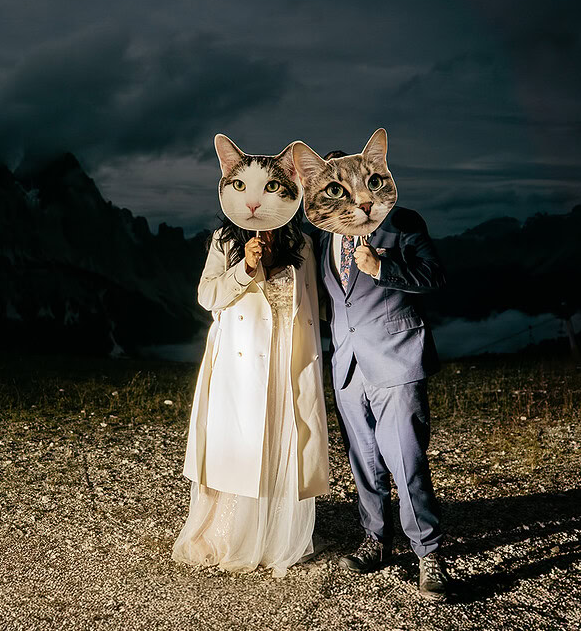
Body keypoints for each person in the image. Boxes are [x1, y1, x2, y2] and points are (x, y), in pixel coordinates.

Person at [309, 149, 453, 601]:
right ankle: (375, 541)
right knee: (364, 460)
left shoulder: (401, 221)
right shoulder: (321, 237)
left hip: (396, 359)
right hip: (347, 365)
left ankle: (429, 553)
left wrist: (382, 267)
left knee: (406, 459)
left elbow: (434, 276)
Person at [172, 215, 330, 578]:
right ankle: (230, 534)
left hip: (289, 358)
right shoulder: (226, 239)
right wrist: (244, 266)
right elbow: (207, 296)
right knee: (241, 445)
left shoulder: (300, 242)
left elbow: (315, 300)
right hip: (241, 360)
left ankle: (275, 535)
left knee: (283, 439)